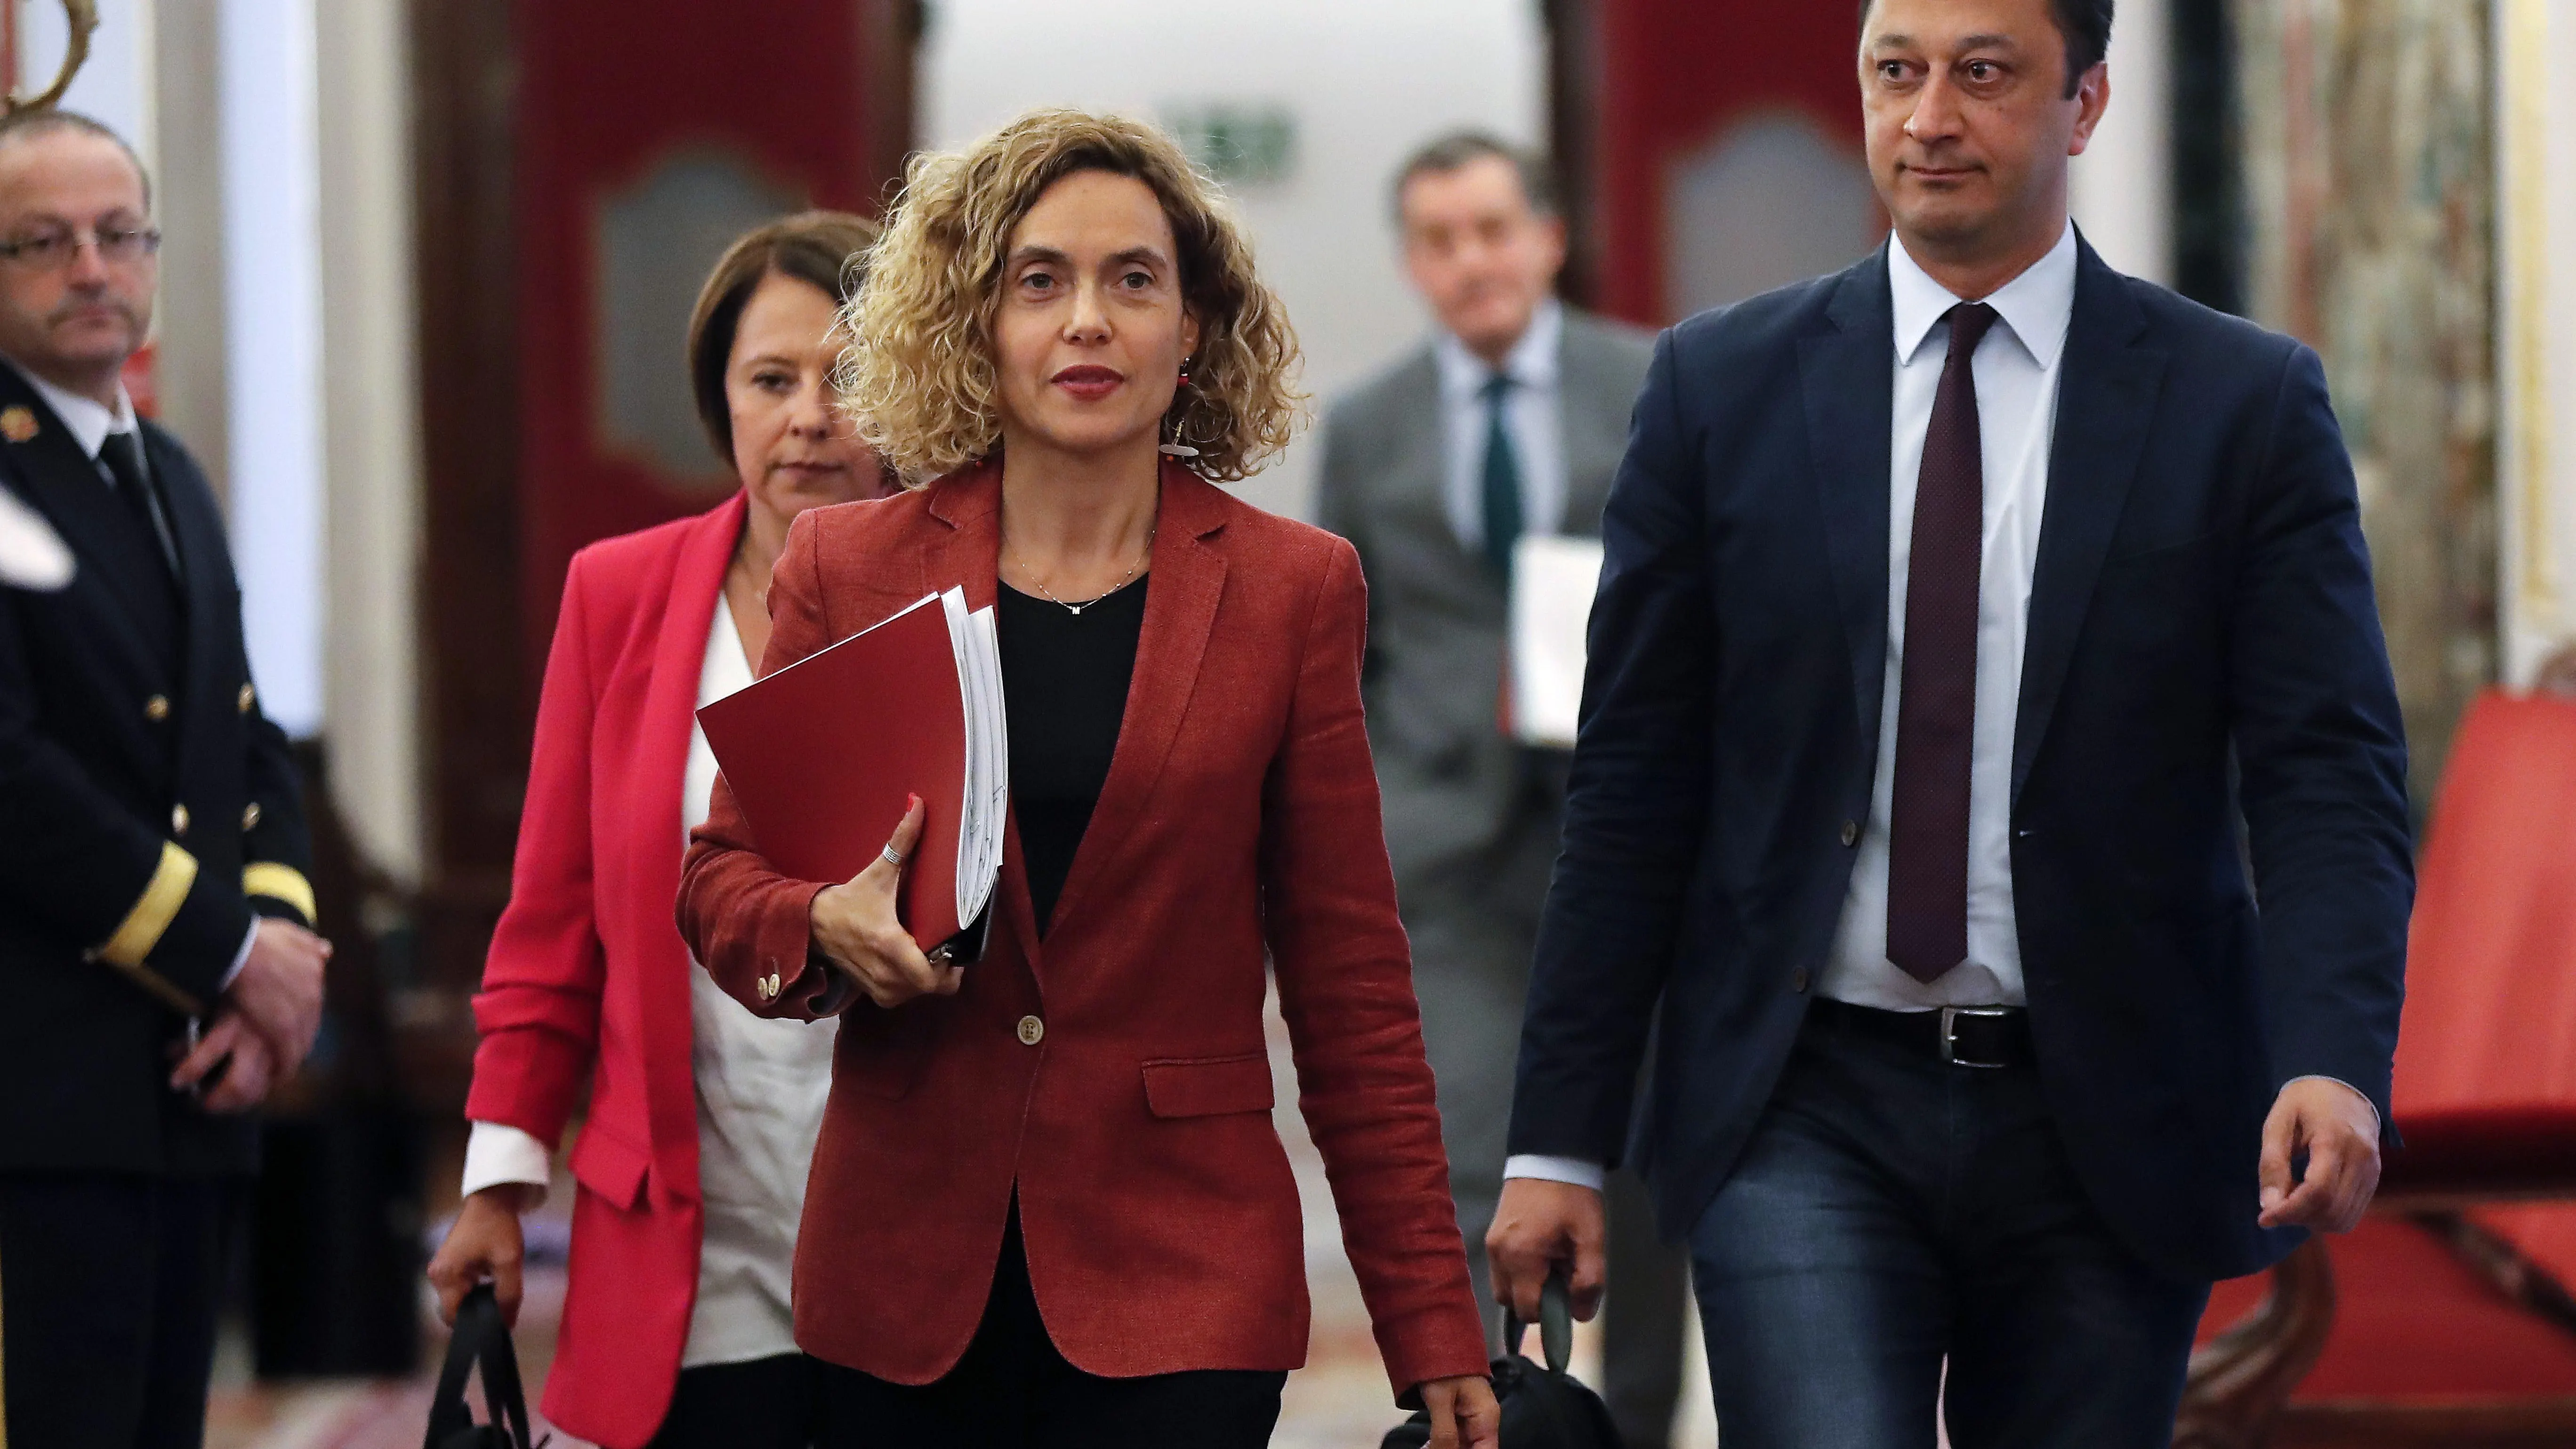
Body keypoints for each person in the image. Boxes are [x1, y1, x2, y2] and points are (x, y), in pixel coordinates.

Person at [1486, 0, 2414, 1443]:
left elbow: (2327, 775)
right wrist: (1558, 1138)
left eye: (1984, 75)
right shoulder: (1720, 389)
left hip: (2107, 1105)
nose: (1929, 118)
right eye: (1896, 73)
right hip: (1802, 1098)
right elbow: (1633, 788)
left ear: (2086, 103)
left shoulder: (2240, 405)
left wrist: (2334, 1052)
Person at [678, 109, 1499, 1449]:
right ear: (976, 325)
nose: (1088, 322)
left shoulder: (1296, 590)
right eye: (1039, 280)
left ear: (1193, 333)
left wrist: (1428, 1320)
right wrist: (818, 929)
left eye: (1135, 281)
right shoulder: (850, 565)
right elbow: (723, 878)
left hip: (1185, 1267)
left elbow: (1353, 984)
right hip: (902, 1272)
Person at [424, 211, 894, 1449]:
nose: (810, 416)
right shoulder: (619, 597)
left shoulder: (966, 594)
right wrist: (498, 1179)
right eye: (772, 379)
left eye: (849, 379)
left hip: (912, 1220)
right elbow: (553, 917)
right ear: (721, 401)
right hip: (692, 1224)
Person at [1315, 131, 1688, 1448]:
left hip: (1627, 835)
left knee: (1639, 1167)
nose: (1470, 261)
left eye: (1491, 230)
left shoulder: (1651, 381)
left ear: (1545, 236)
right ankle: (1495, 1423)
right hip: (1452, 850)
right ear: (1414, 262)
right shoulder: (1367, 428)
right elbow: (1346, 646)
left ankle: (1629, 1423)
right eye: (1439, 239)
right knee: (1472, 1150)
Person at [0, 110, 329, 1448]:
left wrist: (283, 953)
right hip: (42, 1091)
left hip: (188, 1083)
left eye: (119, 234)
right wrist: (230, 950)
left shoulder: (171, 469)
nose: (94, 267)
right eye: (44, 241)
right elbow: (9, 773)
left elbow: (242, 741)